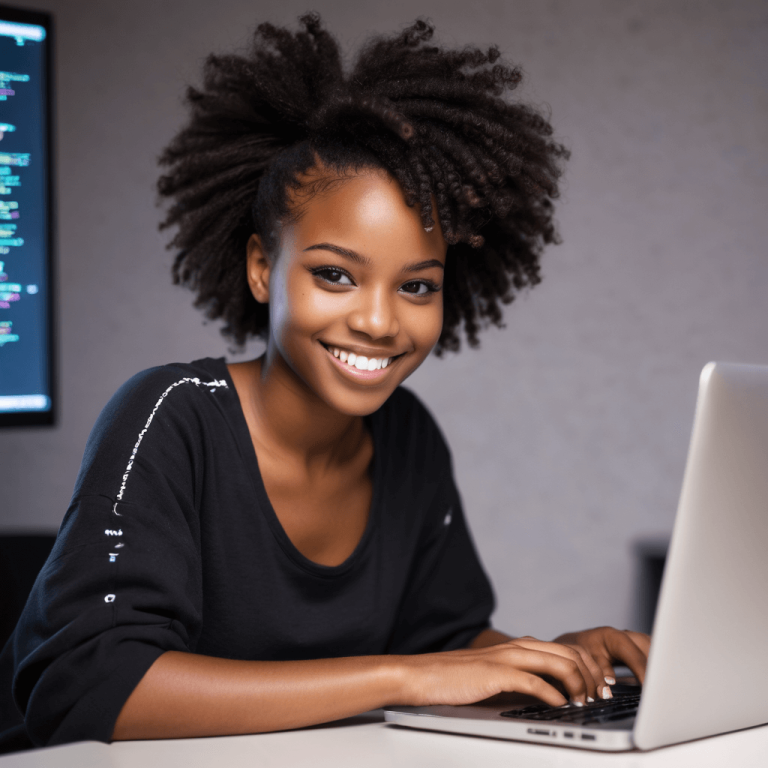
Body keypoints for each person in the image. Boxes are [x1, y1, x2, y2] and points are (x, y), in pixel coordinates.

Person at [0, 14, 650, 751]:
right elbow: (89, 689)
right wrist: (402, 677)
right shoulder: (170, 417)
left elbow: (444, 643)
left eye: (417, 287)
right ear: (259, 267)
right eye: (335, 275)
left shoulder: (407, 437)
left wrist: (554, 663)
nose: (378, 321)